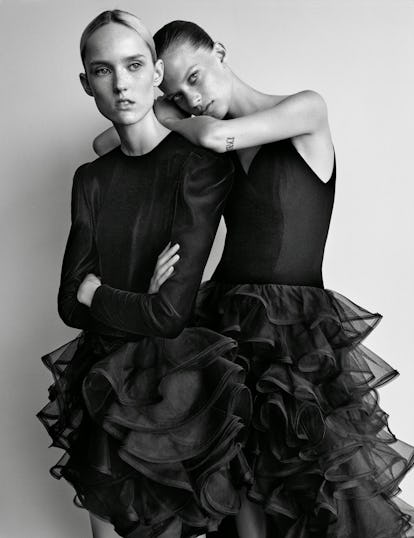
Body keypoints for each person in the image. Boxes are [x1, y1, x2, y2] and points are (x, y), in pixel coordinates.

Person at [94, 19, 414, 538]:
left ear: (220, 50)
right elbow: (105, 142)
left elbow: (219, 135)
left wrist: (172, 116)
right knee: (237, 489)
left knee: (302, 489)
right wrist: (165, 98)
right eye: (176, 93)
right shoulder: (201, 136)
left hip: (294, 332)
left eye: (195, 77)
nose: (191, 99)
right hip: (222, 326)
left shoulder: (305, 109)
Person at [36, 12, 252, 538]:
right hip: (102, 383)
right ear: (87, 84)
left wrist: (98, 292)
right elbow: (67, 303)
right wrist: (121, 297)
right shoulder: (90, 178)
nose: (121, 82)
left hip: (173, 391)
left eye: (133, 65)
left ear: (156, 73)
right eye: (103, 70)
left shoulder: (196, 166)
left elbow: (169, 313)